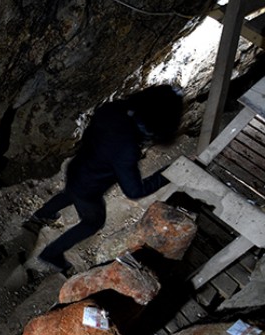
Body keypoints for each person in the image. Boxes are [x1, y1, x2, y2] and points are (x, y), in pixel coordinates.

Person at [29, 84, 184, 273]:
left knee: (70, 192)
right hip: (90, 188)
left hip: (78, 168)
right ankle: (51, 253)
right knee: (92, 222)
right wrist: (169, 173)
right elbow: (134, 191)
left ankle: (42, 214)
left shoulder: (113, 108)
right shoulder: (127, 148)